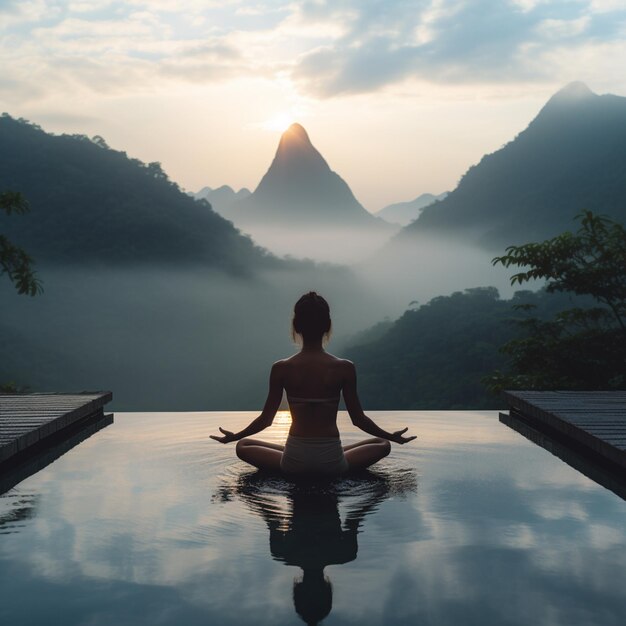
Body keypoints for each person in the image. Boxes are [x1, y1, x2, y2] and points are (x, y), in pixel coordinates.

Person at [211, 292, 416, 474]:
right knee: (383, 443)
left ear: (296, 326)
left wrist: (234, 436)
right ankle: (327, 452)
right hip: (333, 463)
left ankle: (304, 452)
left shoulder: (281, 368)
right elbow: (358, 420)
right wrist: (392, 436)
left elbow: (266, 420)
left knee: (243, 445)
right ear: (327, 325)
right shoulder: (344, 367)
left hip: (292, 462)